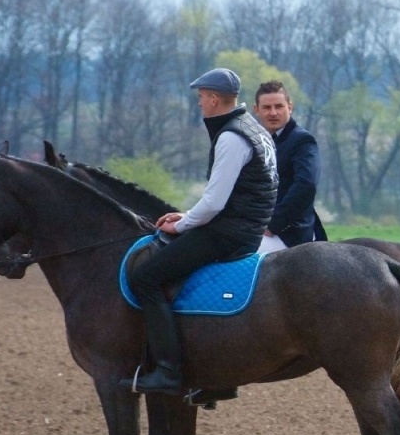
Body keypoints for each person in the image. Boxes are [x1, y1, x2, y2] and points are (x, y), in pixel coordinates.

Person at [125, 68, 277, 394]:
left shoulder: (231, 137)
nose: (199, 104)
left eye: (201, 98)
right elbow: (234, 195)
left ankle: (168, 371)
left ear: (213, 98)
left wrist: (181, 224)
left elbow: (214, 203)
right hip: (245, 227)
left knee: (145, 278)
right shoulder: (253, 127)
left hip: (229, 234)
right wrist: (187, 215)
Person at [254, 80, 327, 250]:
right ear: (256, 110)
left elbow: (306, 185)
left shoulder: (302, 141)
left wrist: (274, 224)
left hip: (289, 233)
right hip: (256, 226)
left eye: (279, 106)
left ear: (290, 107)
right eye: (266, 107)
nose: (273, 113)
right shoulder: (255, 141)